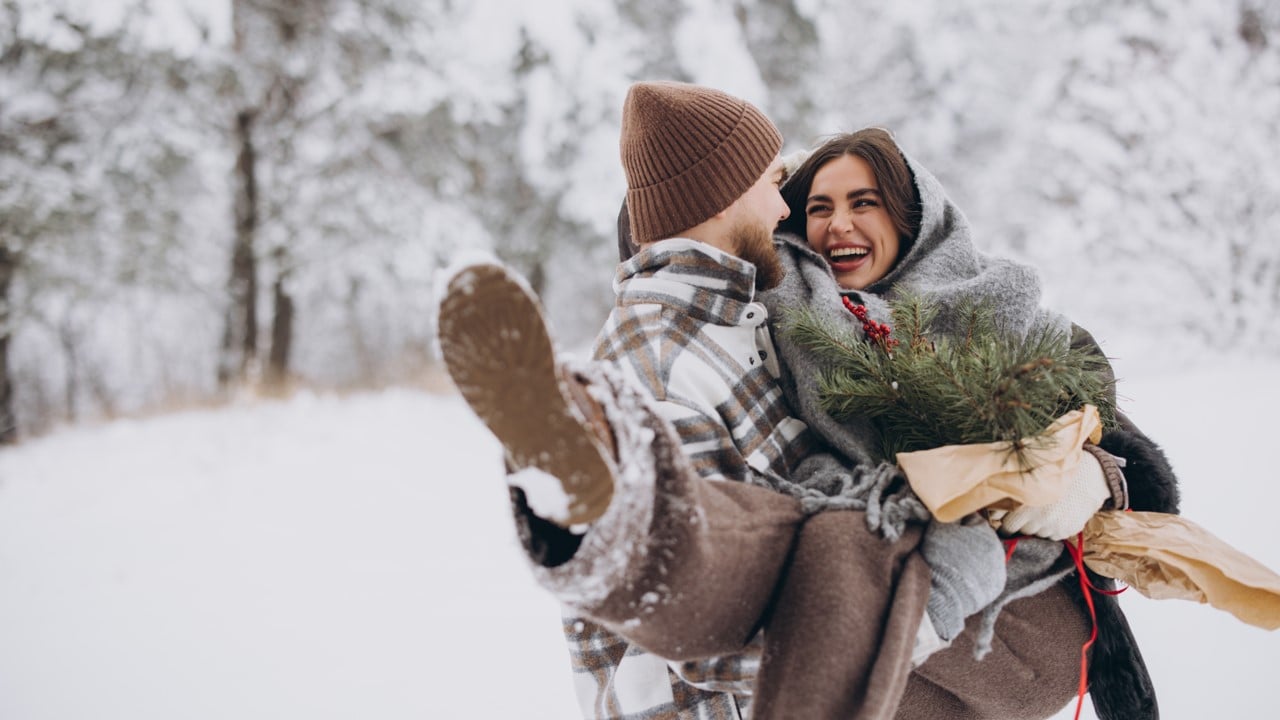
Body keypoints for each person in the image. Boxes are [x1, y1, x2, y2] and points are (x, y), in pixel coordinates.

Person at [438, 82, 1015, 720]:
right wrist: (930, 602)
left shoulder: (740, 326)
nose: (781, 209)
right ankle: (580, 478)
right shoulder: (663, 363)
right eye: (773, 182)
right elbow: (715, 626)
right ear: (725, 194)